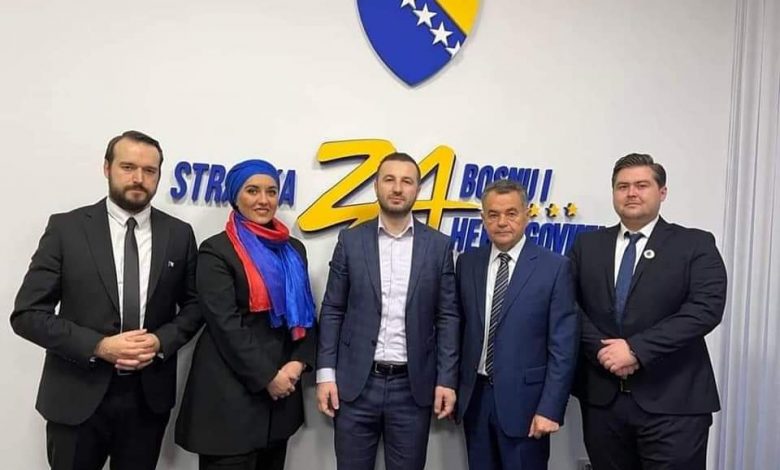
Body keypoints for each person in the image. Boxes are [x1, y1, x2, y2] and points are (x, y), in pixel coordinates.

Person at [10, 130, 202, 470]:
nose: (138, 178)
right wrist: (99, 346)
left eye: (149, 170)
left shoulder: (179, 234)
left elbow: (195, 305)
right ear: (107, 168)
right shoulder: (67, 228)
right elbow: (28, 314)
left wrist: (160, 341)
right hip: (75, 396)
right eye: (128, 167)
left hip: (146, 401)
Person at [568, 153, 727, 470]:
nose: (631, 193)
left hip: (675, 403)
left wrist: (636, 350)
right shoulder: (587, 245)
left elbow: (705, 308)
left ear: (662, 192)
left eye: (642, 185)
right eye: (622, 186)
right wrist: (603, 352)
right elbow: (568, 306)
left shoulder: (695, 244)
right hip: (604, 402)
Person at [316, 152, 459, 470]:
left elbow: (447, 316)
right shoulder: (351, 241)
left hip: (412, 388)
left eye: (406, 181)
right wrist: (325, 374)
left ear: (417, 189)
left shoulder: (439, 247)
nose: (397, 188)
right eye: (389, 179)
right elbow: (333, 309)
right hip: (355, 386)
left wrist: (447, 379)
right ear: (377, 186)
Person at [175, 159, 317, 470]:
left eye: (271, 191)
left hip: (280, 401)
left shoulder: (293, 249)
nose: (263, 200)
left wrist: (298, 362)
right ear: (235, 196)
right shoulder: (216, 250)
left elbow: (306, 311)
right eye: (252, 191)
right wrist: (268, 377)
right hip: (229, 398)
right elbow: (225, 324)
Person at [455, 179, 578, 470]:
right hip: (476, 400)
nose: (502, 222)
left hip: (528, 405)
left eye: (511, 213)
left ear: (526, 214)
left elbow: (563, 348)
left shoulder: (554, 267)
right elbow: (458, 329)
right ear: (483, 218)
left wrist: (550, 408)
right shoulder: (467, 263)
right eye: (493, 214)